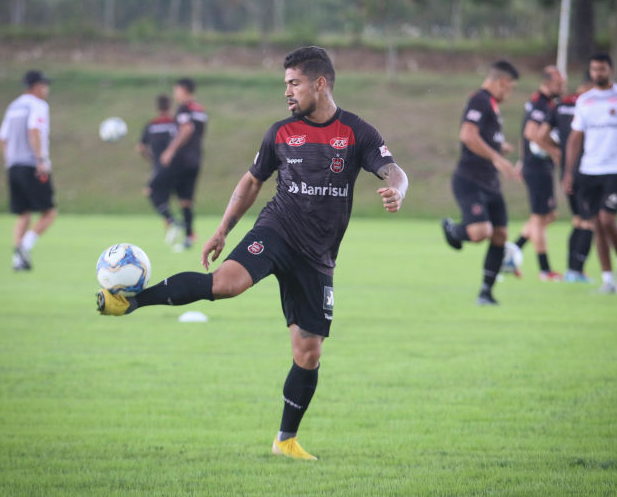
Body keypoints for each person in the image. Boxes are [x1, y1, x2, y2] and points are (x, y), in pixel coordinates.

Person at [96, 46, 409, 460]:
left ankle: (285, 441)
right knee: (226, 284)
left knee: (308, 352)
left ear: (320, 84)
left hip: (317, 255)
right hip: (277, 229)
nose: (287, 92)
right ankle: (132, 301)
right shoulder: (280, 133)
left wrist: (397, 191)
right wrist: (222, 230)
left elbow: (394, 171)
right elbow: (251, 182)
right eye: (285, 84)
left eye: (294, 83)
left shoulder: (356, 132)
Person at [562, 53, 617, 294]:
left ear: (610, 70)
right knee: (596, 225)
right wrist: (569, 172)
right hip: (589, 169)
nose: (597, 73)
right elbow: (575, 138)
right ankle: (608, 279)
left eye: (601, 69)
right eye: (594, 69)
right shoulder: (585, 100)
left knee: (607, 219)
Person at [441, 60, 522, 305]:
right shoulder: (480, 100)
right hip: (470, 180)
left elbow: (483, 138)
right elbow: (467, 135)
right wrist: (498, 158)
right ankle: (452, 230)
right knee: (480, 232)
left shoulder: (492, 106)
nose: (510, 93)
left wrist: (498, 147)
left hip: (490, 182)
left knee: (500, 235)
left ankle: (486, 292)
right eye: (511, 88)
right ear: (503, 82)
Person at [0, 70, 57, 271]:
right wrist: (40, 160)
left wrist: (10, 160)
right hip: (32, 165)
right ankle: (25, 246)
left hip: (13, 166)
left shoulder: (13, 106)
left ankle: (18, 261)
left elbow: (2, 138)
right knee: (49, 212)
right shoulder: (38, 105)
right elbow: (34, 130)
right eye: (44, 85)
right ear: (37, 86)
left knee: (24, 214)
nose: (46, 89)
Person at [511, 66, 565, 281]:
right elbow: (530, 133)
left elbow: (524, 133)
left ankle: (510, 252)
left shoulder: (543, 102)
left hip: (536, 166)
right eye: (559, 84)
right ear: (547, 82)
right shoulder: (541, 103)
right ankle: (545, 270)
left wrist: (521, 159)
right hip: (537, 168)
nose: (562, 87)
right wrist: (554, 151)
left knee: (548, 216)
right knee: (539, 218)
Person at [546, 77, 595, 282]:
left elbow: (541, 133)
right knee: (589, 221)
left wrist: (556, 151)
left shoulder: (561, 105)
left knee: (577, 220)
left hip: (566, 172)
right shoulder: (590, 107)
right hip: (586, 170)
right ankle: (577, 271)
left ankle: (571, 270)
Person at [157, 78, 208, 251]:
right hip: (195, 159)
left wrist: (170, 150)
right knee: (186, 200)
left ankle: (171, 221)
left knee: (156, 187)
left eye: (176, 90)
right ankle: (188, 236)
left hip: (182, 159)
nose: (175, 94)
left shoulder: (184, 108)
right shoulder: (199, 109)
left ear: (183, 90)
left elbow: (186, 129)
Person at [138, 94, 180, 242]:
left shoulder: (151, 125)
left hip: (160, 167)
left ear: (157, 107)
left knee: (150, 192)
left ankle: (174, 222)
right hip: (178, 166)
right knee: (167, 198)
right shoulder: (175, 124)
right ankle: (173, 231)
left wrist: (152, 159)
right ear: (170, 106)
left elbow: (140, 147)